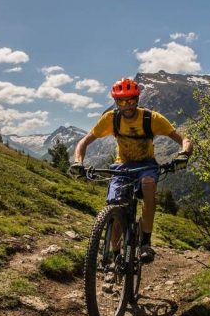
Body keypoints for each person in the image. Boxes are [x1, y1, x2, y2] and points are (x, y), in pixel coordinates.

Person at [70, 78, 192, 263]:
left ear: (137, 99)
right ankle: (116, 253)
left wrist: (183, 155)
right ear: (116, 101)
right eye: (121, 101)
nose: (126, 105)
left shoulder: (151, 118)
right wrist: (78, 162)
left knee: (148, 184)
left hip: (146, 165)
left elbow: (184, 139)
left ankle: (145, 242)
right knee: (116, 208)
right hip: (122, 166)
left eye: (131, 100)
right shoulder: (111, 118)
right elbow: (84, 141)